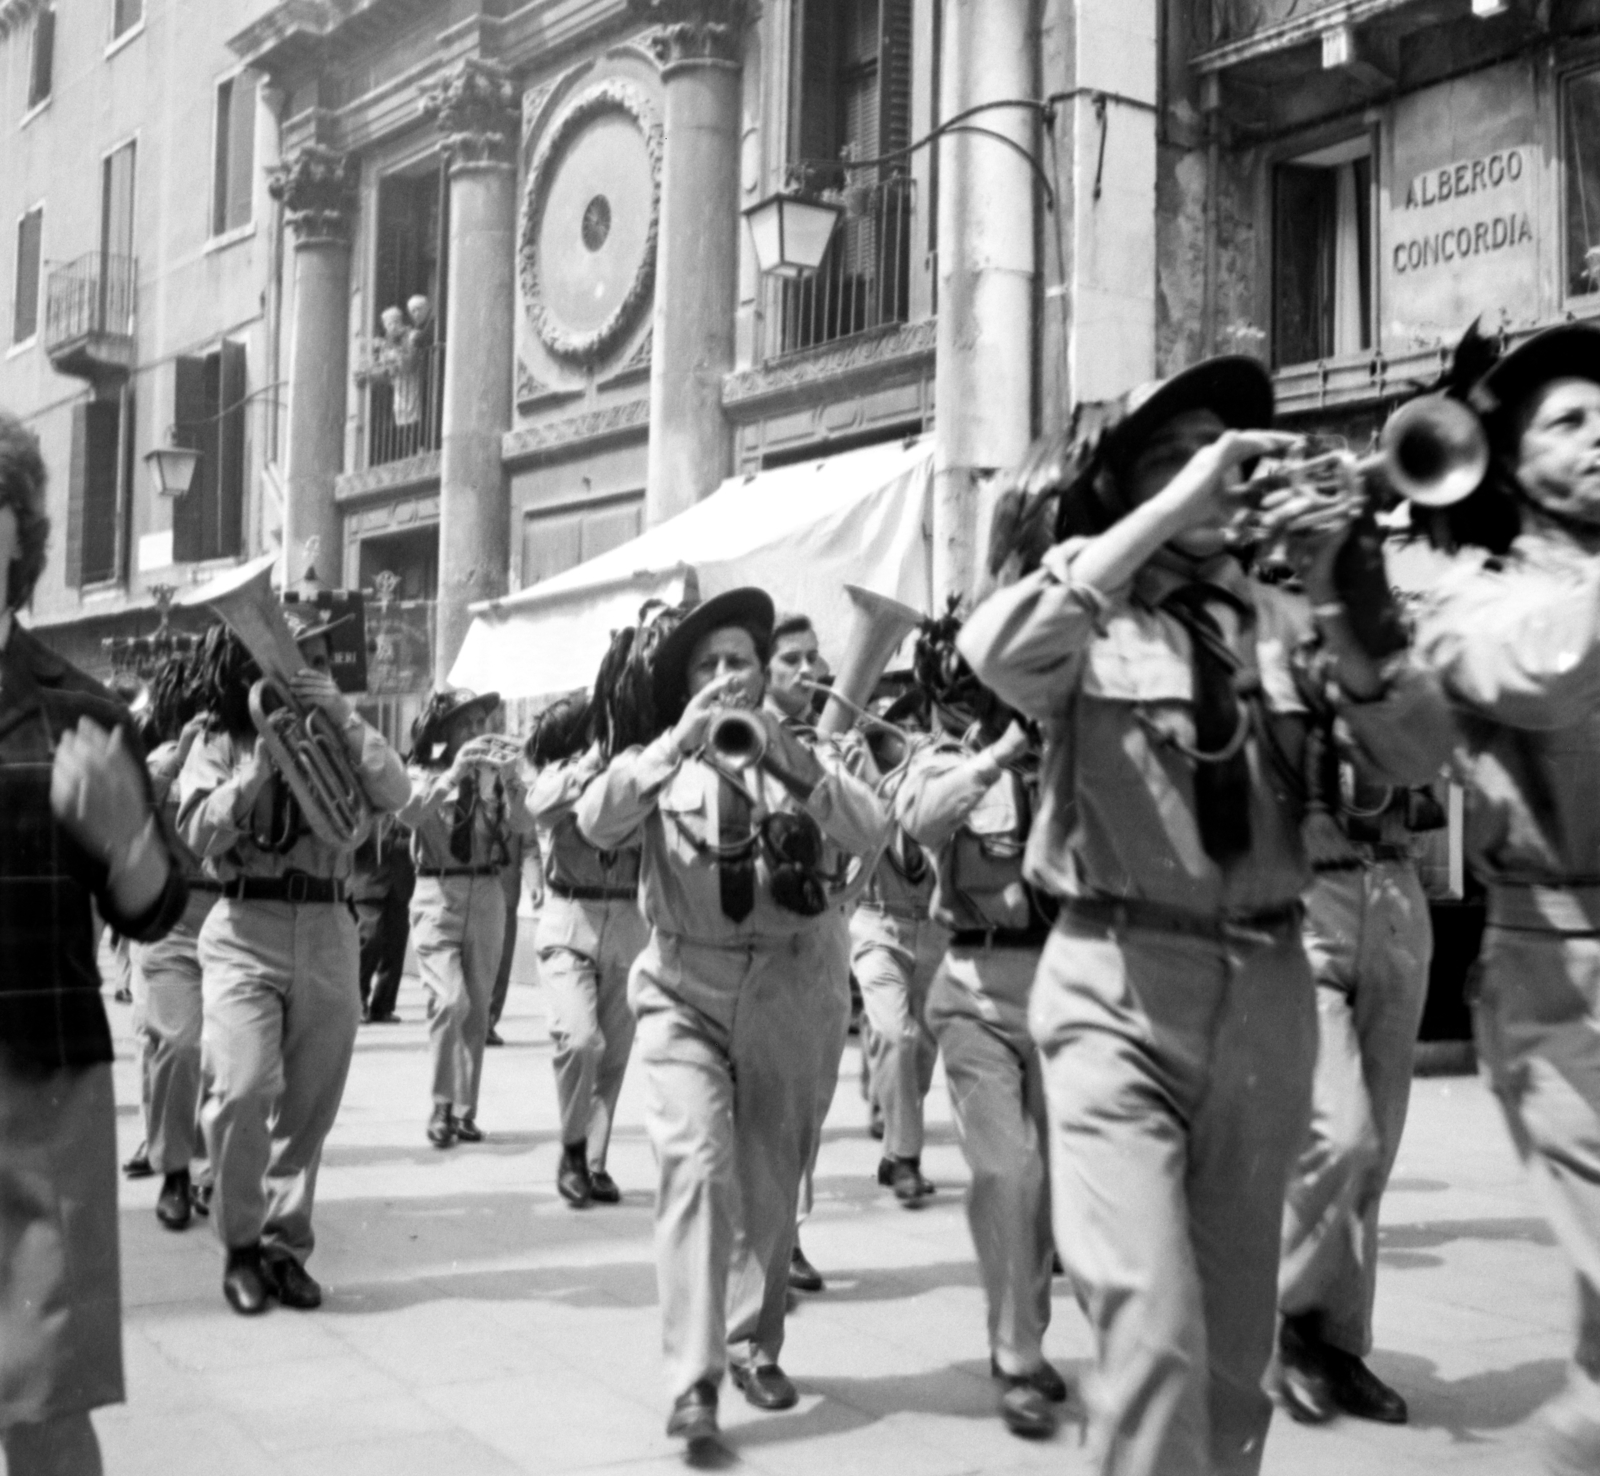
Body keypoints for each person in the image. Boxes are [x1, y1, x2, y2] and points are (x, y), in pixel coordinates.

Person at [961, 354, 1453, 1475]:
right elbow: (995, 651)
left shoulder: (1293, 618)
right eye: (1174, 458)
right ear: (1127, 488)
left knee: (1234, 1360)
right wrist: (1172, 509)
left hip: (1269, 984)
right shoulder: (1086, 607)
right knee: (1148, 1327)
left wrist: (1353, 580)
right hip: (1115, 985)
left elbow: (1418, 750)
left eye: (1222, 455)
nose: (1215, 476)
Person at [576, 587, 888, 1450]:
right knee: (694, 1169)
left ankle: (754, 1343)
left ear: (763, 673)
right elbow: (595, 822)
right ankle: (692, 1382)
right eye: (707, 667)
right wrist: (671, 747)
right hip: (684, 987)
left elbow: (874, 831)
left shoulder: (808, 750)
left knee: (767, 1181)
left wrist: (800, 768)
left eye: (737, 664)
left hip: (788, 987)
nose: (725, 680)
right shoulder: (660, 756)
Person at [1410, 322, 1600, 1475]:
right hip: (1556, 972)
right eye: (1570, 422)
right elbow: (1538, 673)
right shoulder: (1460, 590)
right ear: (1503, 450)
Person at [0, 413, 187, 1476]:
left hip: (42, 1089)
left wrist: (123, 840)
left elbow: (154, 913)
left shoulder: (81, 712)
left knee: (47, 1401)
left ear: (19, 536)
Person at [178, 612, 410, 1316]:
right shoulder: (220, 739)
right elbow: (193, 832)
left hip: (329, 922)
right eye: (288, 655)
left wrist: (341, 715)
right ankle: (241, 1245)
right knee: (242, 1088)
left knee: (310, 1105)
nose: (303, 670)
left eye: (313, 660)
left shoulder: (338, 731)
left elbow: (395, 793)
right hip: (246, 922)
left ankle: (285, 1247)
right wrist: (253, 777)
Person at [893, 613, 1063, 1437]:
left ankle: (1026, 1330)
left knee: (1058, 1192)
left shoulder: (1071, 743)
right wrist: (1000, 755)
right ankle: (1018, 1355)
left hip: (1075, 988)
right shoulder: (945, 757)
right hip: (979, 990)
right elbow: (921, 820)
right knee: (1008, 1172)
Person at [1275, 771, 1439, 1425]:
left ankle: (1337, 1345)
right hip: (1312, 890)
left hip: (1397, 886)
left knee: (1374, 1151)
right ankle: (1290, 1319)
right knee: (1339, 1133)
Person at [526, 644, 651, 1207]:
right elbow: (539, 803)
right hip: (570, 917)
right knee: (581, 1040)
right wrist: (594, 762)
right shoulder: (564, 773)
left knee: (614, 1056)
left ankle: (591, 1162)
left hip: (627, 918)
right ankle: (573, 1147)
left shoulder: (634, 773)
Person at [398, 687, 533, 1148]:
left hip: (488, 891)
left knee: (475, 1008)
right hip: (438, 891)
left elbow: (524, 827)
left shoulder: (497, 776)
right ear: (445, 732)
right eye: (467, 725)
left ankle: (463, 1112)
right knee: (449, 1001)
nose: (478, 733)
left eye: (482, 724)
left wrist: (513, 782)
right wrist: (454, 773)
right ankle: (441, 1104)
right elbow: (411, 815)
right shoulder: (420, 773)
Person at [763, 611, 844, 1292]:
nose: (809, 671)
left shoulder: (831, 740)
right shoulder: (742, 734)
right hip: (760, 933)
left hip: (826, 930)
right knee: (765, 1106)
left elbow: (873, 837)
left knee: (813, 1099)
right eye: (791, 658)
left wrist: (842, 779)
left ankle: (786, 1230)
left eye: (814, 658)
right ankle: (767, 1237)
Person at [128, 647, 219, 1232]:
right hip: (170, 924)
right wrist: (179, 755)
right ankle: (175, 1172)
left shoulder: (238, 749)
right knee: (179, 1046)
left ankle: (212, 1171)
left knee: (227, 1061)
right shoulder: (160, 759)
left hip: (232, 917)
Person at [850, 690, 943, 1208]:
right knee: (895, 1033)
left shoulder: (934, 780)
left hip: (934, 927)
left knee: (922, 1051)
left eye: (919, 728)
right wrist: (867, 772)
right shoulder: (863, 781)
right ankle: (906, 1159)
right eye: (899, 729)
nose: (914, 738)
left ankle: (895, 1142)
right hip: (876, 922)